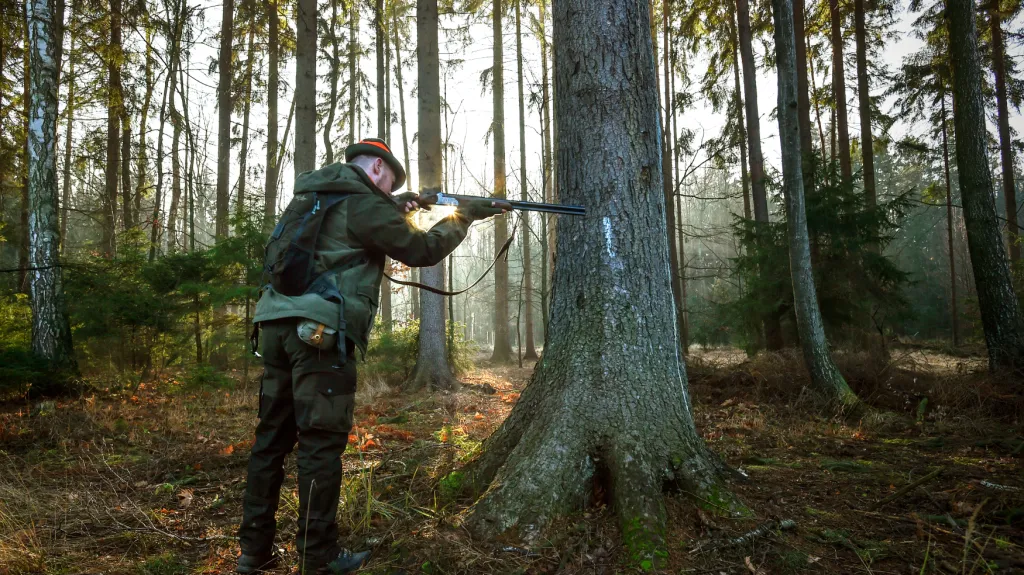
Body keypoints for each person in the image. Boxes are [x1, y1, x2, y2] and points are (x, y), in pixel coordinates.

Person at [236, 138, 506, 574]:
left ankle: (253, 552)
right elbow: (420, 251)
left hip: (273, 328)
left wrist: (396, 206)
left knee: (270, 443)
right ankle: (319, 557)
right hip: (320, 335)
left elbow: (338, 239)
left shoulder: (312, 196)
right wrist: (465, 215)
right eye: (389, 184)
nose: (388, 191)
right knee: (320, 447)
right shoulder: (363, 202)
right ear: (378, 169)